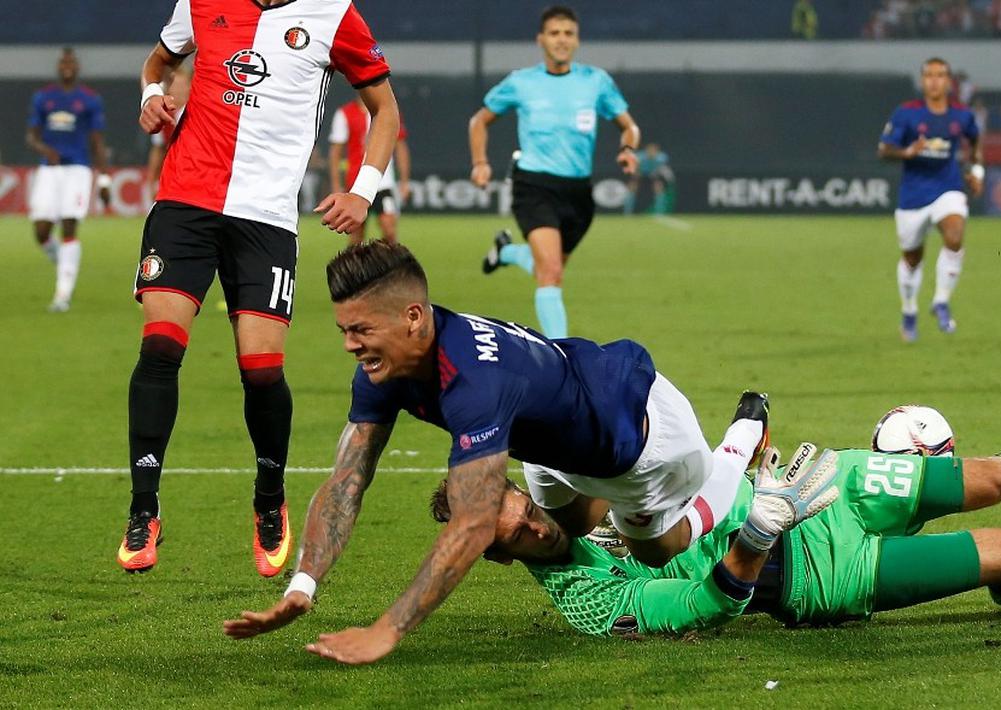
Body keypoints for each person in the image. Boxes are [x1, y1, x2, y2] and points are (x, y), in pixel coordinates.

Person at [222, 241, 769, 664]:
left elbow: (475, 522)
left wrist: (387, 629)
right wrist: (304, 584)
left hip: (641, 441)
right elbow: (346, 481)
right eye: (344, 329)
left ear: (413, 317)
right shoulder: (385, 370)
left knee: (656, 549)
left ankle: (740, 442)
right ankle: (612, 519)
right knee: (574, 526)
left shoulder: (476, 383)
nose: (349, 344)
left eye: (361, 329)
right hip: (553, 441)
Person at [433, 425, 1001, 636]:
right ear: (494, 557)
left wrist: (748, 471)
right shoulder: (588, 601)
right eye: (516, 537)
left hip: (814, 488)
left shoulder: (574, 481)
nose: (536, 528)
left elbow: (681, 470)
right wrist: (758, 534)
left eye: (525, 510)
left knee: (994, 476)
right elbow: (702, 606)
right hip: (813, 576)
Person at [119, 0, 398, 576]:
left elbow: (385, 109)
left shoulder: (334, 15)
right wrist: (151, 98)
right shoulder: (199, 4)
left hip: (266, 220)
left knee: (262, 369)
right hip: (185, 204)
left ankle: (269, 497)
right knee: (160, 347)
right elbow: (157, 64)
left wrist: (362, 191)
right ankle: (143, 506)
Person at [470, 5, 641, 339]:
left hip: (578, 194)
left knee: (549, 269)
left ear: (577, 41)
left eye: (568, 34)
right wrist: (480, 162)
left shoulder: (596, 82)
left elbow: (629, 126)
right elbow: (479, 121)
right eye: (554, 33)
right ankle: (562, 355)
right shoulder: (522, 82)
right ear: (541, 40)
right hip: (533, 185)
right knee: (550, 273)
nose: (561, 40)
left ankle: (505, 252)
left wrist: (627, 149)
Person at [877, 57, 982, 342]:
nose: (935, 80)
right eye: (929, 75)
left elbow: (974, 141)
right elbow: (884, 149)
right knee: (912, 258)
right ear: (923, 81)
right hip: (913, 195)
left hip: (947, 187)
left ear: (949, 82)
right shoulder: (907, 114)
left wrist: (976, 170)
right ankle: (909, 312)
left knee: (955, 233)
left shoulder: (962, 115)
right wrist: (906, 153)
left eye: (940, 75)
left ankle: (941, 301)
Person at [26, 47, 111, 313]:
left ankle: (62, 294)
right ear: (58, 66)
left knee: (69, 226)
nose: (67, 66)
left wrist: (105, 179)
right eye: (63, 62)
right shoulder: (43, 98)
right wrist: (44, 150)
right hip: (49, 170)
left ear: (77, 67)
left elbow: (97, 141)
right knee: (41, 231)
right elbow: (31, 135)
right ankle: (62, 260)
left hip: (78, 170)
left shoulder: (89, 99)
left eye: (71, 62)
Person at [328, 98, 412, 245]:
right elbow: (336, 153)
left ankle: (388, 266)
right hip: (356, 183)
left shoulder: (389, 111)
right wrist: (336, 185)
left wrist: (404, 182)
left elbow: (400, 147)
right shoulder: (345, 114)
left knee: (389, 228)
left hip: (383, 182)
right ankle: (355, 267)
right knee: (356, 236)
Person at [144, 63, 192, 202]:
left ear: (190, 86)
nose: (178, 90)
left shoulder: (198, 112)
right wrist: (152, 180)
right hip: (174, 175)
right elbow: (158, 149)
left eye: (182, 86)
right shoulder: (164, 114)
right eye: (175, 86)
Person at [623, 143, 674, 215]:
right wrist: (636, 172)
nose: (651, 152)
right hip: (640, 173)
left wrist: (666, 177)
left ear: (657, 151)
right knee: (631, 188)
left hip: (653, 175)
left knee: (659, 188)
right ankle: (627, 212)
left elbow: (662, 168)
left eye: (654, 151)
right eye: (650, 150)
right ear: (646, 150)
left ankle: (659, 212)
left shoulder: (662, 157)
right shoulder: (639, 156)